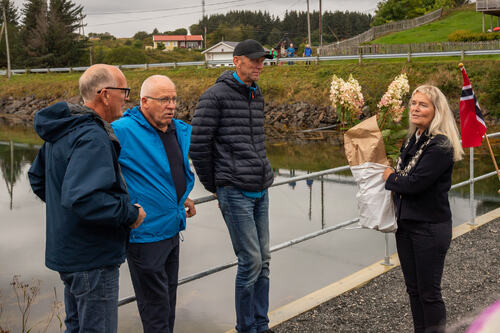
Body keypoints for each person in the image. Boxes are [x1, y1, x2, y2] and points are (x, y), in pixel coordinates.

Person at [28, 64, 146, 333]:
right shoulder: (93, 136)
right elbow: (84, 198)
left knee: (77, 327)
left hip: (70, 254)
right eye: (123, 91)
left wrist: (66, 210)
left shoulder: (63, 130)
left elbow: (37, 179)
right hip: (93, 258)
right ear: (105, 94)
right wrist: (130, 214)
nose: (126, 98)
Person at [190, 39, 275, 333]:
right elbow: (198, 146)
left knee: (263, 259)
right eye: (254, 60)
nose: (260, 65)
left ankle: (261, 324)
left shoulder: (256, 93)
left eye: (262, 60)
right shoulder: (214, 97)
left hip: (260, 187)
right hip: (234, 190)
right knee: (250, 260)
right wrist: (217, 186)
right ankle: (246, 327)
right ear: (236, 61)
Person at [111, 75, 196, 333]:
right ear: (145, 102)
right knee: (156, 309)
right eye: (164, 100)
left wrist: (182, 197)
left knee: (168, 302)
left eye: (173, 99)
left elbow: (167, 171)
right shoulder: (121, 130)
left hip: (172, 227)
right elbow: (104, 174)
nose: (171, 105)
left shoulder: (174, 130)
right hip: (144, 234)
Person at [383, 85, 464, 333]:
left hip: (429, 228)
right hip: (407, 225)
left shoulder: (440, 145)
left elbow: (414, 183)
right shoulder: (414, 138)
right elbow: (405, 174)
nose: (415, 109)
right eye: (413, 103)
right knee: (414, 289)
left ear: (436, 111)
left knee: (429, 293)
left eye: (423, 104)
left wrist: (389, 177)